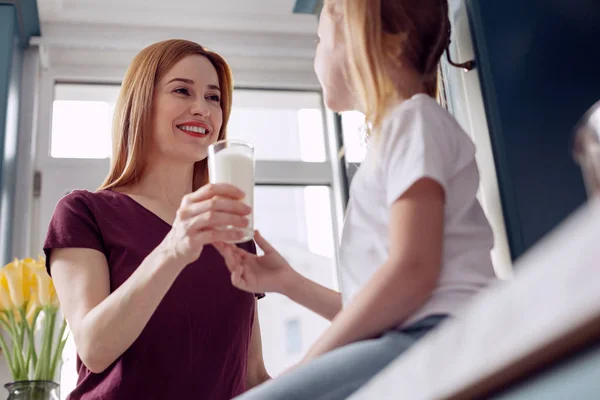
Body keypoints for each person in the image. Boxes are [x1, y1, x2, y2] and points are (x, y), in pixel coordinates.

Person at [214, 0, 497, 399]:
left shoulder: (412, 121)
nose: (315, 56)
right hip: (420, 332)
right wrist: (287, 282)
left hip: (437, 336)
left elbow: (412, 274)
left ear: (375, 42)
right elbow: (386, 303)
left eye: (320, 39)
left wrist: (309, 364)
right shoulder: (403, 130)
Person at [43, 39, 269, 400]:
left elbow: (252, 375)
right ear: (141, 102)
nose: (203, 109)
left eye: (214, 98)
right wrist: (172, 251)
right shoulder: (84, 213)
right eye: (182, 90)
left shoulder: (234, 232)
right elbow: (94, 348)